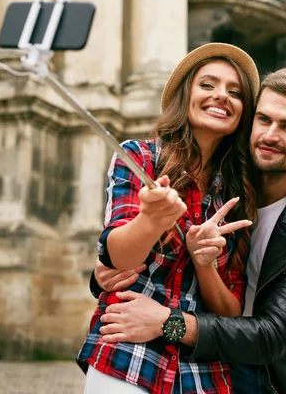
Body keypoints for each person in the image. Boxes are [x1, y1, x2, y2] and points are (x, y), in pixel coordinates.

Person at [97, 66, 286, 394]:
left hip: (280, 376)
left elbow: (272, 336)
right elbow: (162, 251)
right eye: (263, 119)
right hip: (210, 362)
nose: (270, 136)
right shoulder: (227, 172)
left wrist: (168, 322)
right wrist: (108, 265)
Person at [77, 42, 261, 393]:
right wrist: (150, 220)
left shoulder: (241, 192)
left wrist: (204, 262)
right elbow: (117, 258)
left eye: (234, 92)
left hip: (202, 368)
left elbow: (230, 312)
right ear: (185, 94)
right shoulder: (139, 157)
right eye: (208, 84)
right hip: (127, 346)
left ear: (243, 112)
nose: (221, 96)